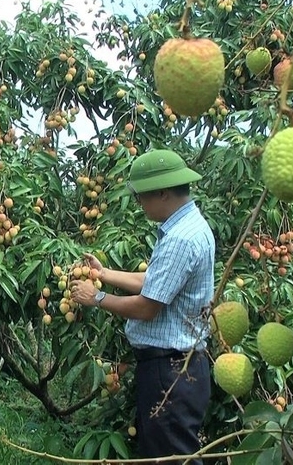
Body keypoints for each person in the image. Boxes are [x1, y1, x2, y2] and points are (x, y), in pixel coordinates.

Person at [70, 149, 214, 464]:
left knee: (171, 459)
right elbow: (156, 281)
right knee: (169, 455)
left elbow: (149, 306)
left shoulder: (180, 240)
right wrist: (104, 274)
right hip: (176, 369)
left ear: (161, 192)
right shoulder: (187, 227)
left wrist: (96, 298)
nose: (139, 205)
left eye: (141, 197)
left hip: (172, 372)